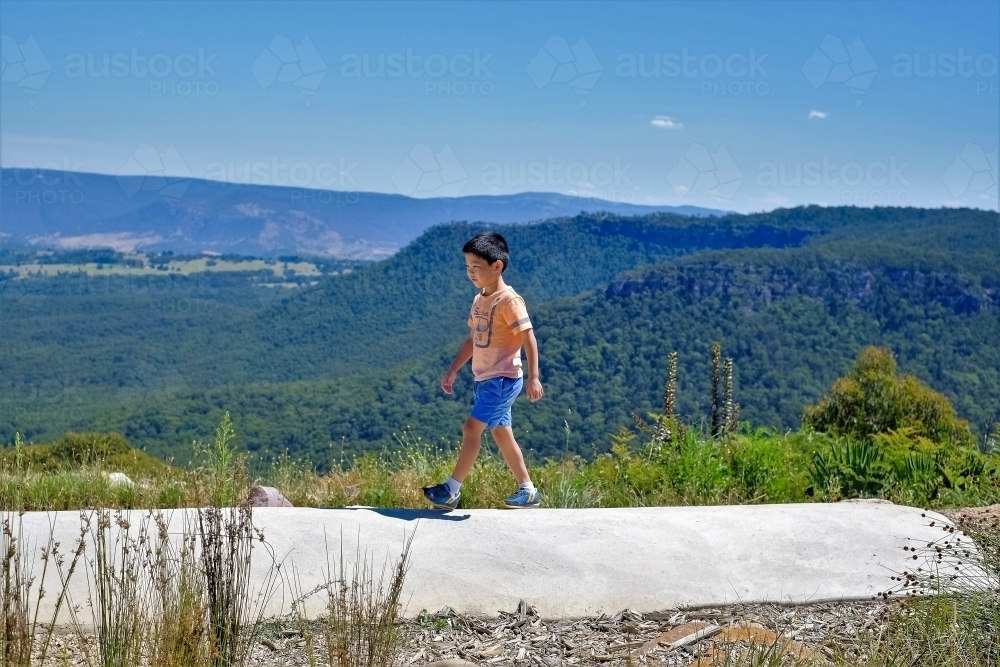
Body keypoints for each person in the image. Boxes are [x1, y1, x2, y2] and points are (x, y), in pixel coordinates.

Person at [422, 231, 544, 510]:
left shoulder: (509, 301)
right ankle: (528, 491)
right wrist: (454, 369)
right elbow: (473, 339)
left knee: (471, 428)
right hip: (485, 380)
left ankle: (451, 490)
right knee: (501, 433)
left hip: (502, 380)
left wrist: (534, 377)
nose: (471, 273)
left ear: (497, 266)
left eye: (476, 267)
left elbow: (528, 337)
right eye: (467, 267)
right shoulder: (480, 300)